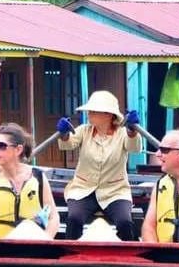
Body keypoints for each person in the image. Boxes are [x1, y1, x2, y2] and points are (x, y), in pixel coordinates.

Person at [57, 90, 142, 241]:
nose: (89, 113)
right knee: (74, 219)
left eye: (94, 111)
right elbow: (68, 144)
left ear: (108, 115)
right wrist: (63, 134)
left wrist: (132, 131)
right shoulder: (84, 130)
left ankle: (128, 258)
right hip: (83, 189)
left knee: (125, 222)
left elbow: (134, 148)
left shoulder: (122, 133)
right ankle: (70, 256)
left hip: (115, 191)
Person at [0, 123, 61, 239]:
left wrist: (46, 240)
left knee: (29, 228)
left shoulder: (38, 177)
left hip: (31, 247)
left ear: (18, 149)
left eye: (1, 146)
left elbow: (53, 217)